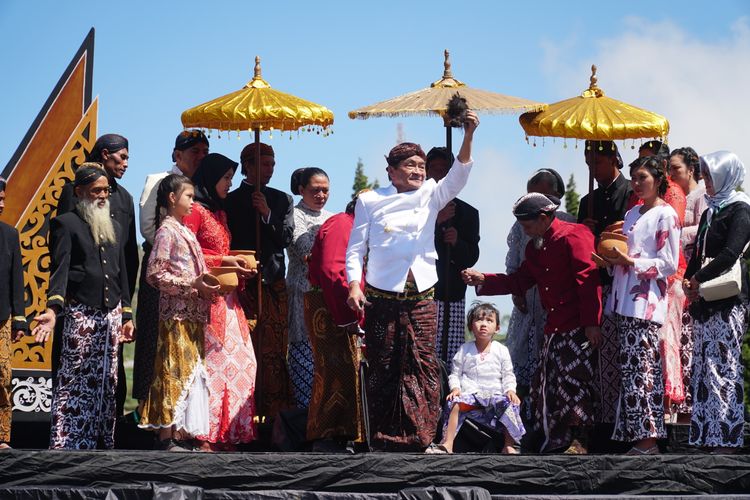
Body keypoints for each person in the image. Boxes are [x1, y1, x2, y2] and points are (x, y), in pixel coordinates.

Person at [346, 111, 479, 451]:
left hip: (421, 293)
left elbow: (460, 174)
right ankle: (381, 435)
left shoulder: (431, 194)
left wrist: (468, 133)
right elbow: (356, 248)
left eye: (422, 165)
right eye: (411, 165)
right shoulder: (370, 199)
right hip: (382, 293)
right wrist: (354, 285)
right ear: (391, 171)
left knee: (421, 363)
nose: (419, 171)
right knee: (385, 364)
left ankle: (419, 436)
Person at [462, 192, 601, 454]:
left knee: (575, 381)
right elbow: (519, 281)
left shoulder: (575, 235)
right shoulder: (535, 246)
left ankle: (578, 440)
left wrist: (592, 323)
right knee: (549, 385)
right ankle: (555, 438)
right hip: (553, 326)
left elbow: (588, 280)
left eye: (527, 225)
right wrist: (483, 279)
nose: (524, 231)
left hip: (578, 325)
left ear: (544, 217)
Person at [33, 165, 134, 449]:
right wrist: (53, 310)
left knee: (108, 383)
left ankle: (103, 444)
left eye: (106, 191)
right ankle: (68, 444)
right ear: (79, 193)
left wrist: (127, 313)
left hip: (111, 315)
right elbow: (60, 271)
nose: (103, 196)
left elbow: (121, 272)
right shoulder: (66, 223)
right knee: (75, 380)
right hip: (81, 314)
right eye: (96, 191)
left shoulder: (114, 225)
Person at [56, 133, 137, 417]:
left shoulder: (124, 198)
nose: (127, 163)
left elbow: (127, 258)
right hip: (79, 303)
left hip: (113, 301)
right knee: (75, 374)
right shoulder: (73, 191)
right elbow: (63, 248)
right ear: (105, 154)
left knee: (111, 377)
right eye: (122, 157)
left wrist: (126, 308)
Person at [603, 156, 679, 455]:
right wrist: (611, 260)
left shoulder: (666, 215)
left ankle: (648, 441)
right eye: (633, 177)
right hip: (624, 299)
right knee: (630, 372)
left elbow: (669, 263)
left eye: (643, 177)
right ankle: (639, 438)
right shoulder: (633, 212)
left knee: (643, 370)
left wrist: (631, 262)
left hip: (646, 302)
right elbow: (625, 251)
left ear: (658, 179)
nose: (636, 183)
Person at [138, 174, 218, 451]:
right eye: (189, 197)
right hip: (175, 315)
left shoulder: (185, 231)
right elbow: (154, 274)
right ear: (172, 198)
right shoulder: (166, 231)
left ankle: (182, 433)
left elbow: (197, 272)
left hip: (193, 313)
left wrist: (210, 284)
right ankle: (166, 436)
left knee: (190, 373)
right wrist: (190, 284)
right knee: (172, 370)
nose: (193, 203)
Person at [184, 153, 258, 450]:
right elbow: (189, 253)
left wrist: (239, 265)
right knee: (215, 365)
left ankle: (229, 433)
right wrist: (227, 260)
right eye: (226, 178)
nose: (230, 183)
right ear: (211, 177)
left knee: (242, 363)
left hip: (230, 301)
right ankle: (207, 434)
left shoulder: (220, 213)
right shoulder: (196, 212)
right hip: (208, 299)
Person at [133, 130, 208, 405]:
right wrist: (176, 252)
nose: (200, 157)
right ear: (178, 154)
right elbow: (149, 228)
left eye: (204, 152)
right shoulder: (159, 181)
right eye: (194, 152)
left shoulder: (201, 188)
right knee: (155, 339)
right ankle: (148, 408)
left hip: (191, 280)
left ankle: (180, 412)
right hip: (162, 268)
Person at [683, 151, 750, 453]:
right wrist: (688, 279)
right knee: (704, 369)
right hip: (706, 301)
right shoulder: (710, 210)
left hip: (728, 300)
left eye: (710, 176)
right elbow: (698, 251)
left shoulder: (740, 209)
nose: (705, 182)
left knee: (725, 367)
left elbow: (730, 253)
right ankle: (706, 436)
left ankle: (727, 437)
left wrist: (698, 278)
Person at [225, 142, 294, 418]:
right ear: (248, 166)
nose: (270, 169)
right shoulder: (230, 201)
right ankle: (243, 415)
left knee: (276, 350)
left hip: (274, 283)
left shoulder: (281, 199)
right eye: (264, 164)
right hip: (243, 286)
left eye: (273, 164)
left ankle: (275, 416)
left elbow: (286, 238)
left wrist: (266, 213)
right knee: (245, 347)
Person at [504, 169, 574, 413]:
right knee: (521, 361)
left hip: (555, 307)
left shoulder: (569, 222)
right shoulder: (520, 223)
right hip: (526, 301)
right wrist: (516, 291)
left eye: (542, 193)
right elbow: (513, 261)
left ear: (556, 194)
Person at [577, 140, 630, 427]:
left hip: (626, 280)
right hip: (599, 282)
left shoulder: (632, 192)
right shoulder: (588, 201)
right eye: (589, 164)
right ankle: (604, 421)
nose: (593, 169)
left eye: (597, 163)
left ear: (613, 159)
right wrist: (585, 231)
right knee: (601, 358)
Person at [306, 197, 366, 451]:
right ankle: (329, 433)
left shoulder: (348, 225)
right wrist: (347, 317)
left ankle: (344, 432)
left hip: (338, 304)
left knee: (346, 371)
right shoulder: (344, 223)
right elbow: (333, 271)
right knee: (337, 370)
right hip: (333, 305)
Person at [427, 302, 524, 455]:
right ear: (471, 326)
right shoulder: (464, 349)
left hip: (495, 395)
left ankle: (508, 445)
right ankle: (448, 443)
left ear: (497, 328)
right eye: (479, 320)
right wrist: (456, 389)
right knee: (456, 404)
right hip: (471, 395)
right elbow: (455, 374)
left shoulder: (502, 350)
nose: (484, 324)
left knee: (510, 404)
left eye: (489, 320)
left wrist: (510, 390)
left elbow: (508, 374)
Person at [634, 141, 687, 416]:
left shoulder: (671, 196)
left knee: (665, 340)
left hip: (668, 278)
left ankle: (668, 406)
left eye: (648, 164)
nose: (640, 173)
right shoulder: (640, 201)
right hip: (642, 281)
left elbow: (668, 236)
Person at [425, 147, 480, 370]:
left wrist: (457, 242)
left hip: (453, 292)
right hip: (425, 290)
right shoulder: (417, 207)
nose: (438, 175)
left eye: (444, 170)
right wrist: (435, 223)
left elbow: (472, 256)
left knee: (452, 354)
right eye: (434, 169)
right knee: (426, 350)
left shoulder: (468, 212)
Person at [286, 167, 332, 409]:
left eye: (325, 190)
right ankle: (304, 411)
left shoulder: (332, 217)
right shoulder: (294, 215)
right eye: (315, 190)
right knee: (303, 351)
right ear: (301, 190)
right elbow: (304, 247)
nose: (321, 195)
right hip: (302, 291)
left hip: (328, 295)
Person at [669, 146, 705, 419]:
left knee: (690, 344)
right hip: (679, 277)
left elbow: (706, 228)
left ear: (691, 170)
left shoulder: (701, 195)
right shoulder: (676, 196)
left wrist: (674, 233)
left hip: (694, 277)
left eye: (676, 169)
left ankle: (690, 412)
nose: (671, 174)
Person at [0, 177, 28, 449]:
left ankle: (1, 436)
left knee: (3, 375)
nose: (1, 204)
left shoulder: (10, 234)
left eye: (3, 199)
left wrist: (19, 317)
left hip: (2, 318)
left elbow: (16, 279)